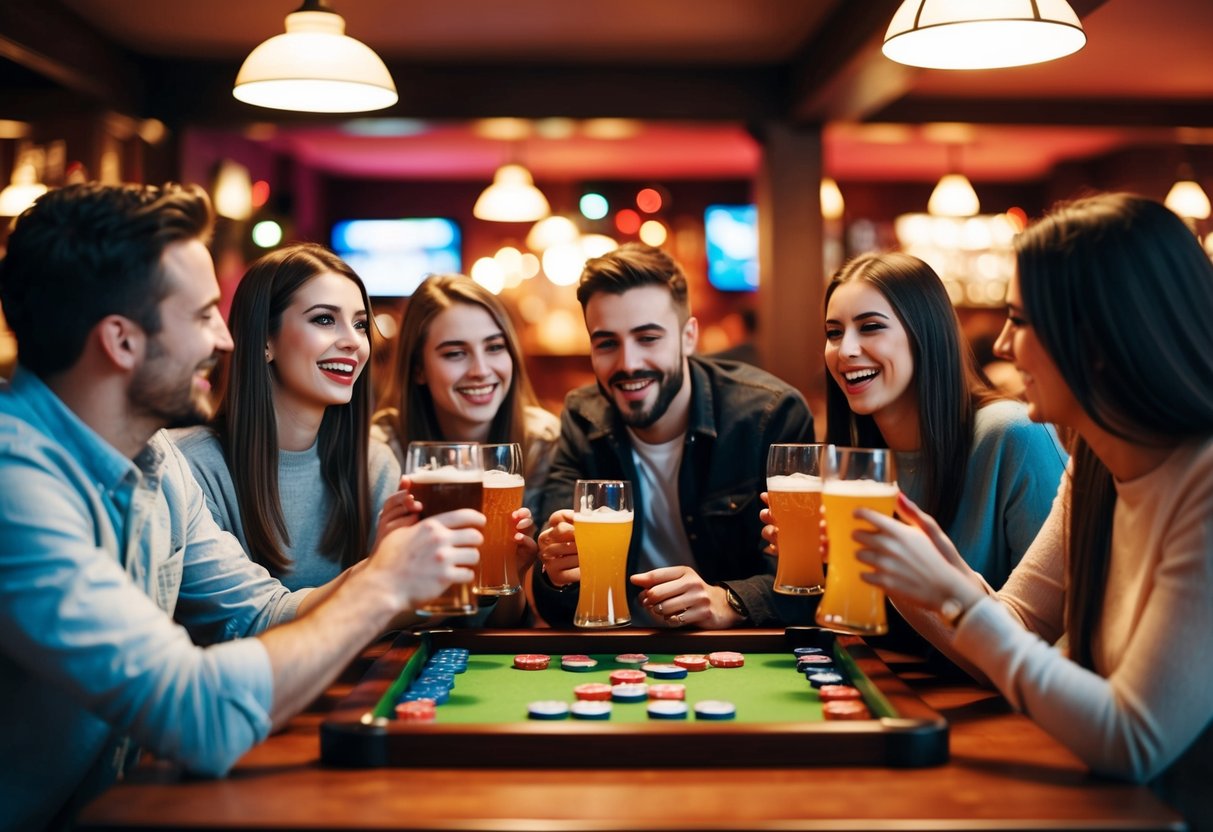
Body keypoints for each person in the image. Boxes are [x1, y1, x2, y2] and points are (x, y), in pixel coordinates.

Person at [0, 183, 483, 830]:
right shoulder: (15, 483)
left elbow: (262, 613)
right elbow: (193, 713)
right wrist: (383, 588)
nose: (224, 342)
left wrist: (386, 569)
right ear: (121, 341)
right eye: (202, 316)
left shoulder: (156, 463)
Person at [851, 194, 1213, 829]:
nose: (1002, 343)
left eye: (1020, 320)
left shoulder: (1203, 487)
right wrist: (924, 571)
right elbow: (1016, 623)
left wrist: (955, 597)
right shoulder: (1095, 462)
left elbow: (1133, 740)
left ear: (1097, 336)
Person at [534, 243, 815, 628]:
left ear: (688, 337)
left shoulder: (770, 415)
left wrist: (729, 601)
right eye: (607, 343)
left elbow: (806, 585)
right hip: (620, 649)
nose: (628, 363)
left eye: (648, 338)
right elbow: (559, 608)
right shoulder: (583, 417)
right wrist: (555, 574)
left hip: (740, 653)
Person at [816, 253, 1065, 588]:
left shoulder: (1012, 435)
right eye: (834, 333)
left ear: (925, 334)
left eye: (870, 327)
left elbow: (1059, 623)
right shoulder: (855, 460)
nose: (845, 350)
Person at [172, 243, 400, 591]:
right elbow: (243, 619)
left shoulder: (374, 464)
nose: (354, 341)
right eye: (324, 319)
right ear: (265, 340)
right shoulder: (191, 465)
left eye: (360, 324)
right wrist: (377, 574)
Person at [373, 274, 554, 623]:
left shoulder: (541, 441)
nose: (481, 370)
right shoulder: (383, 449)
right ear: (418, 369)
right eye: (455, 353)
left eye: (495, 347)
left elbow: (510, 623)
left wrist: (511, 574)